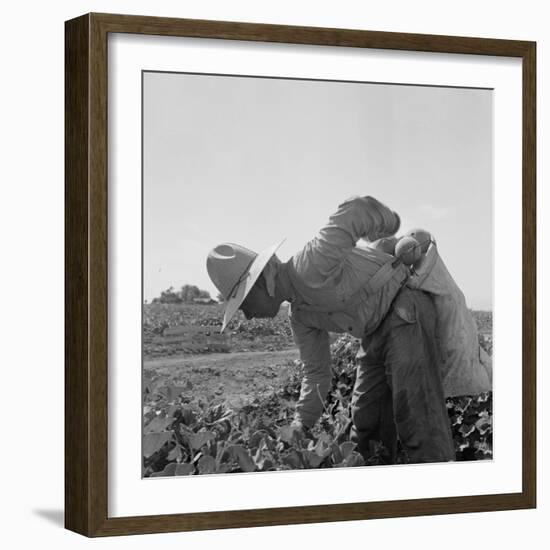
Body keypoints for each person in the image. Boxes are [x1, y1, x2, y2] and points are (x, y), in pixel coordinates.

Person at [206, 196, 456, 464]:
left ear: (263, 280)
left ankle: (443, 490)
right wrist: (301, 425)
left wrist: (390, 224)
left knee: (417, 416)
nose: (247, 314)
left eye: (243, 301)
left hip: (405, 312)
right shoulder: (300, 316)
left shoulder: (310, 264)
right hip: (374, 332)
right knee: (366, 424)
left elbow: (356, 210)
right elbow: (316, 374)